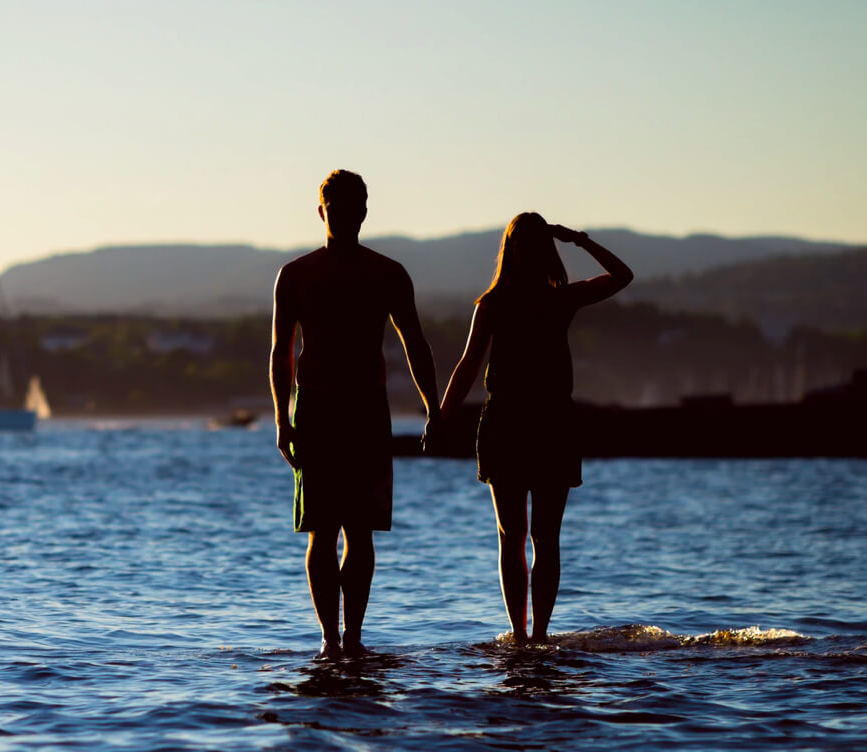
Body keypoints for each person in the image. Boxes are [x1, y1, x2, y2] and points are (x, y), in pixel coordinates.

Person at [438, 213, 633, 644]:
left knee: (525, 538)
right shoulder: (527, 301)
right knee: (535, 538)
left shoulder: (530, 300)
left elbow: (467, 366)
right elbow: (468, 366)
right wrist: (578, 241)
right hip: (530, 422)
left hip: (530, 422)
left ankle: (529, 636)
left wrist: (440, 417)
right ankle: (531, 635)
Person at [270, 170, 439, 661]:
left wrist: (435, 408)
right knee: (326, 530)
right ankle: (332, 638)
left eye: (351, 206)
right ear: (323, 211)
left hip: (363, 408)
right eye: (337, 207)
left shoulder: (386, 273)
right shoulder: (297, 274)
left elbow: (416, 345)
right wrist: (282, 418)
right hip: (320, 406)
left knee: (355, 530)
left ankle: (349, 638)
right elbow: (281, 351)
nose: (344, 214)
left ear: (363, 211)